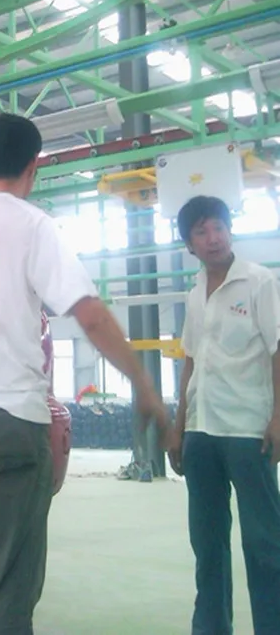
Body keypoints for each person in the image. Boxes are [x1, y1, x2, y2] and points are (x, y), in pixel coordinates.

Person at [0, 112, 169, 635]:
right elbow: (89, 314)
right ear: (34, 167)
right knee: (13, 571)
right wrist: (142, 384)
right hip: (13, 418)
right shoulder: (33, 226)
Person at [167, 195, 280, 635]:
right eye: (202, 231)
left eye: (218, 227)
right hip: (201, 433)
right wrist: (179, 426)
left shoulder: (259, 282)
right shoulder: (195, 294)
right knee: (207, 544)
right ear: (189, 244)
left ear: (230, 230)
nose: (213, 238)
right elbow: (190, 362)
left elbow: (277, 350)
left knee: (265, 543)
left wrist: (278, 417)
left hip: (248, 431)